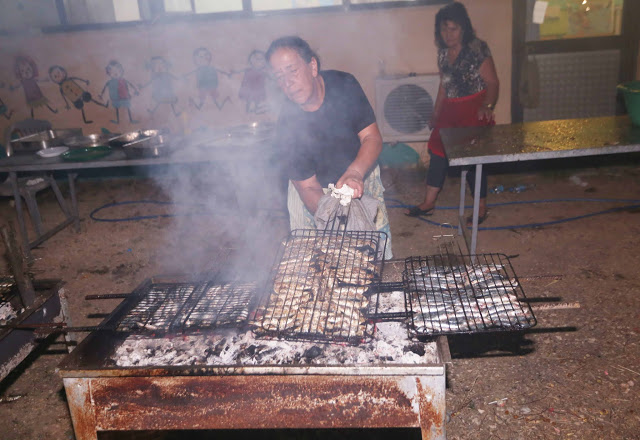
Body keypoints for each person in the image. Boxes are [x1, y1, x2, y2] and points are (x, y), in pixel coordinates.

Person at [267, 36, 393, 259]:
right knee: (320, 267)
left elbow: (372, 138)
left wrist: (354, 173)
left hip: (359, 174)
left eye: (292, 70)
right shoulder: (288, 127)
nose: (287, 82)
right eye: (279, 76)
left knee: (372, 259)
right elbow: (307, 187)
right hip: (316, 195)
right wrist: (335, 216)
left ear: (312, 66)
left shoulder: (344, 85)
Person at [406, 1, 499, 225]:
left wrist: (486, 106)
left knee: (474, 156)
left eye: (453, 28)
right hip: (451, 109)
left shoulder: (478, 49)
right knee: (437, 149)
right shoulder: (442, 54)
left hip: (474, 108)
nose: (448, 34)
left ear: (464, 28)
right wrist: (436, 113)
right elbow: (444, 86)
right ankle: (428, 202)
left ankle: (480, 207)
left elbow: (493, 82)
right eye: (444, 28)